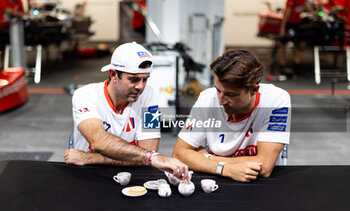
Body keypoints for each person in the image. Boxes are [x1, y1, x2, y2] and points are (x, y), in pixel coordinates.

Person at [64, 42, 189, 180]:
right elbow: (98, 141)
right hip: (88, 174)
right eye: (133, 79)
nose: (140, 87)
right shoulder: (85, 95)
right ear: (113, 74)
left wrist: (91, 158)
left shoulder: (149, 95)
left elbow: (149, 151)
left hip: (125, 174)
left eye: (145, 79)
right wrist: (147, 157)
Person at [172, 49, 291, 183]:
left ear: (253, 90)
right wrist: (225, 169)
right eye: (218, 90)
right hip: (218, 182)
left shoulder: (276, 99)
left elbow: (264, 166)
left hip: (262, 186)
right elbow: (179, 154)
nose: (221, 101)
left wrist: (207, 158)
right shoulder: (207, 98)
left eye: (231, 95)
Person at [277, 0, 311, 75]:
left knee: (302, 42)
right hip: (289, 23)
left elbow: (307, 8)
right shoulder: (291, 1)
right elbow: (286, 13)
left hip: (297, 23)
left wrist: (315, 10)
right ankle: (282, 64)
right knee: (283, 43)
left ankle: (297, 62)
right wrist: (282, 28)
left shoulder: (304, 1)